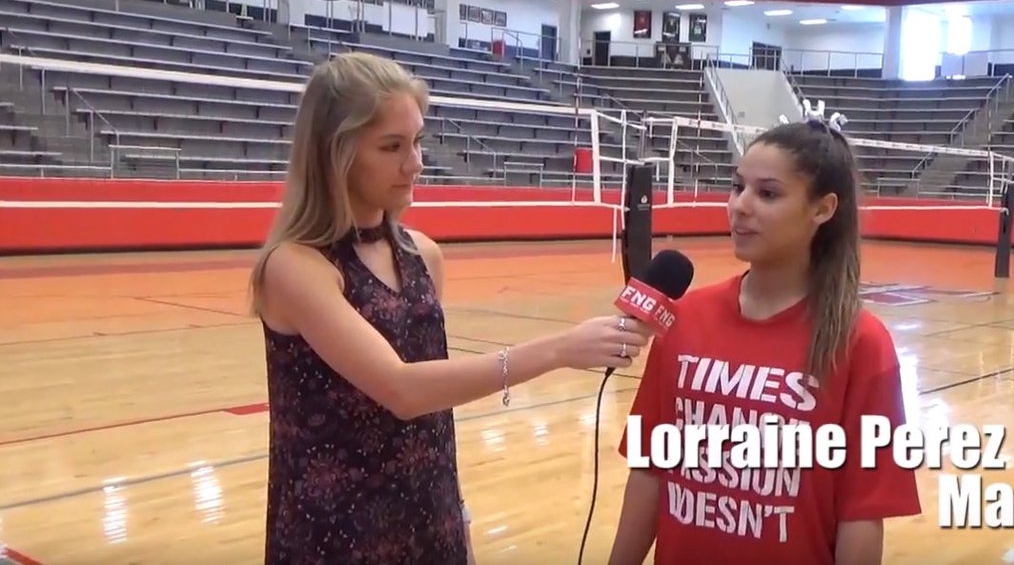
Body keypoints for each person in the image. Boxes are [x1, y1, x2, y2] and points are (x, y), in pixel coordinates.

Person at [246, 52, 652, 564]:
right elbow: (402, 389)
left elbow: (433, 411)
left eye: (416, 141)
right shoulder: (295, 267)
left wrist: (456, 515)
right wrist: (558, 348)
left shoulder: (421, 255)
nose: (414, 162)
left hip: (427, 515)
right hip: (334, 532)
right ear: (336, 154)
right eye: (391, 146)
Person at [607, 119, 921, 565]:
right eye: (738, 187)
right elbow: (650, 472)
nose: (740, 206)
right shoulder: (684, 320)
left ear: (823, 209)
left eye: (767, 193)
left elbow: (862, 515)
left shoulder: (860, 342)